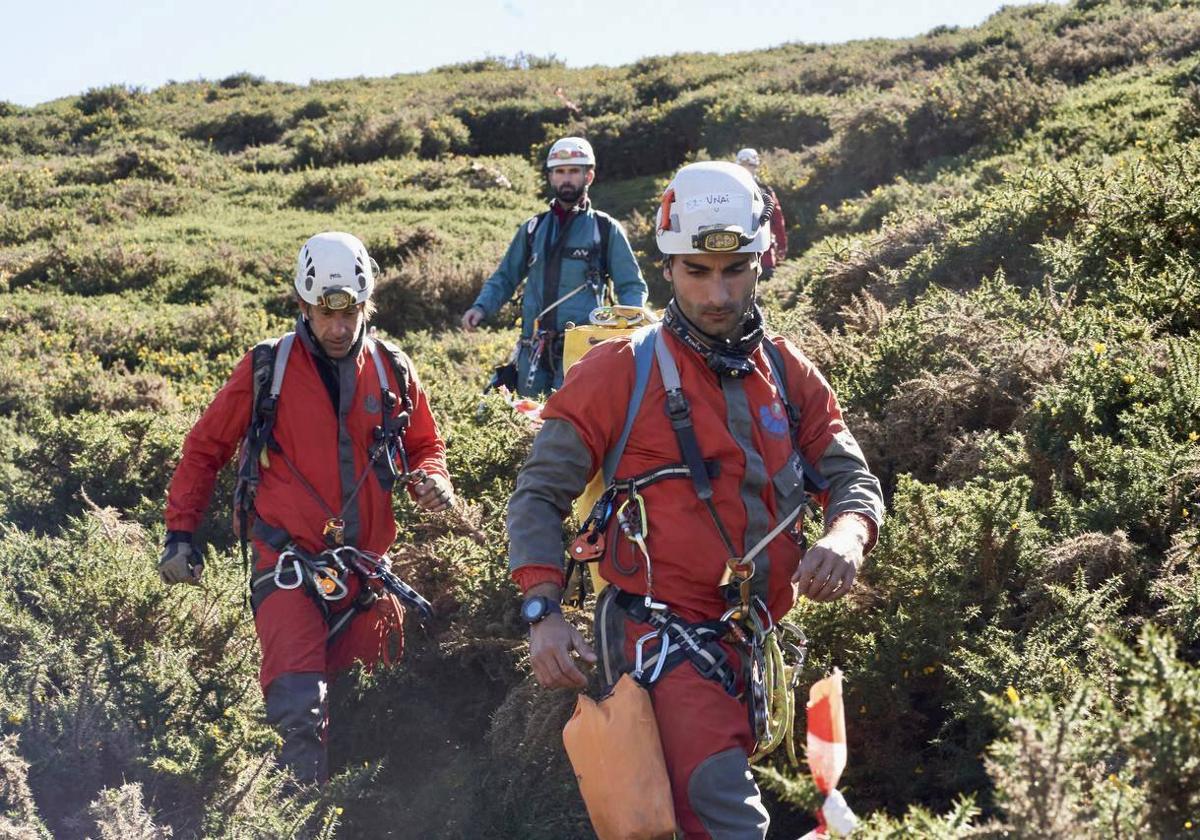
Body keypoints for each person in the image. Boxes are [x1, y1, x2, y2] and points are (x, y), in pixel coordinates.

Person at [506, 162, 884, 838]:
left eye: (734, 269)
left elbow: (851, 479)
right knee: (726, 812)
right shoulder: (618, 371)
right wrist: (542, 608)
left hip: (755, 646)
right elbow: (538, 494)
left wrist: (845, 537)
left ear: (761, 260)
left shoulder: (789, 374)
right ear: (669, 267)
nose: (717, 292)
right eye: (696, 272)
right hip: (659, 641)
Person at [159, 231, 453, 785]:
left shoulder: (394, 369)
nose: (339, 328)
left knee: (377, 713)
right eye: (325, 314)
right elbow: (204, 449)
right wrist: (180, 533)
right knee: (298, 711)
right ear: (303, 305)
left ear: (367, 305)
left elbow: (424, 447)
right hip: (287, 566)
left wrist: (433, 479)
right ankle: (296, 817)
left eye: (350, 314)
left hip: (367, 573)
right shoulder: (265, 369)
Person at [461, 136, 648, 396]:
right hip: (533, 352)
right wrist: (481, 308)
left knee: (576, 423)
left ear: (589, 177)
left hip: (584, 350)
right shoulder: (532, 229)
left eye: (574, 171)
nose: (566, 178)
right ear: (551, 177)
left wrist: (631, 332)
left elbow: (631, 286)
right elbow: (505, 277)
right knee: (527, 421)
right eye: (560, 172)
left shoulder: (605, 230)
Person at [736, 147, 788, 280]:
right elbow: (777, 220)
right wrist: (781, 245)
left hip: (757, 252)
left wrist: (781, 245)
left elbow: (777, 219)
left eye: (749, 166)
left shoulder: (765, 191)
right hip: (743, 252)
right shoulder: (732, 191)